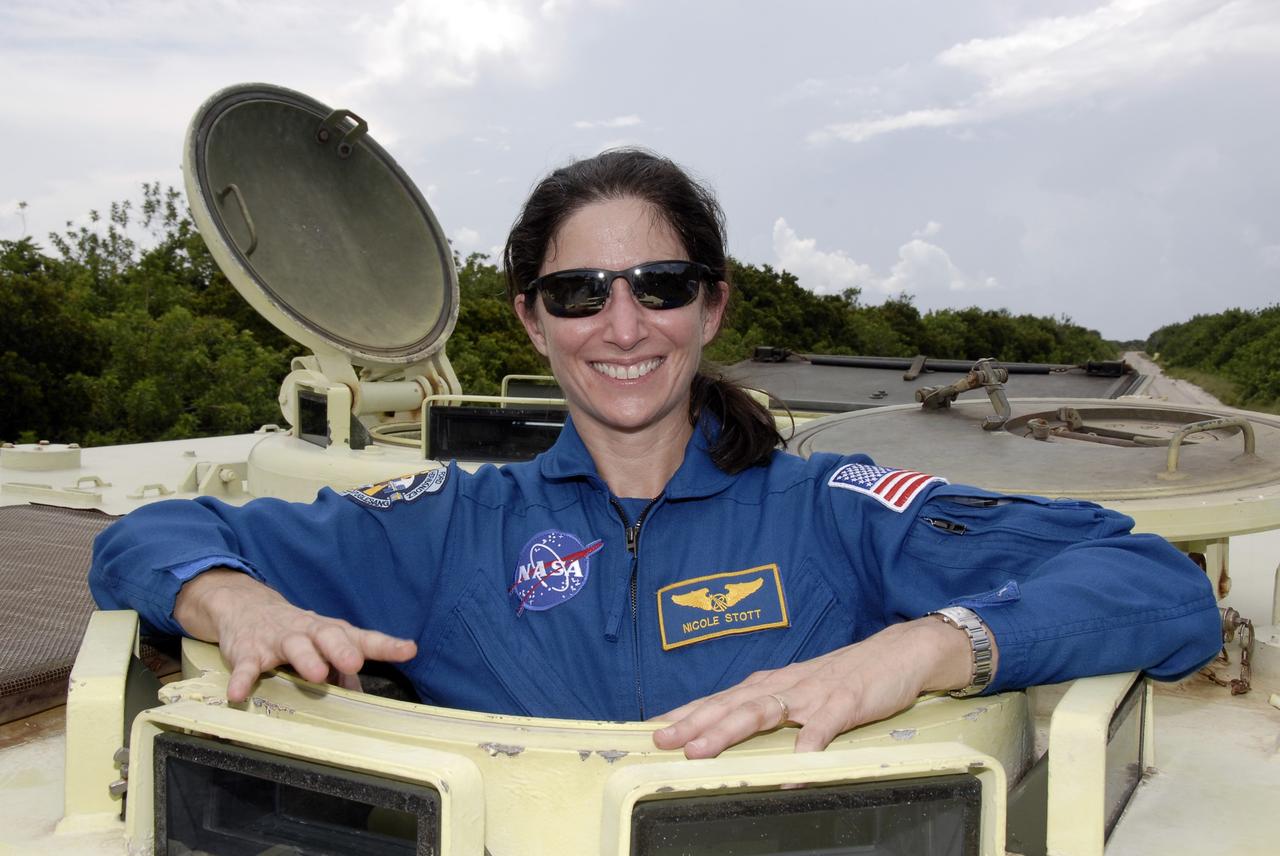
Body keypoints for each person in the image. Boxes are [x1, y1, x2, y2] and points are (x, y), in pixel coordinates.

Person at [90, 149, 1221, 759]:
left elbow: (1152, 583)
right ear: (531, 320)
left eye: (659, 287)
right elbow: (152, 532)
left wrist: (928, 646)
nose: (621, 327)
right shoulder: (446, 522)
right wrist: (231, 599)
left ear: (710, 307)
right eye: (579, 293)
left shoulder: (832, 507)